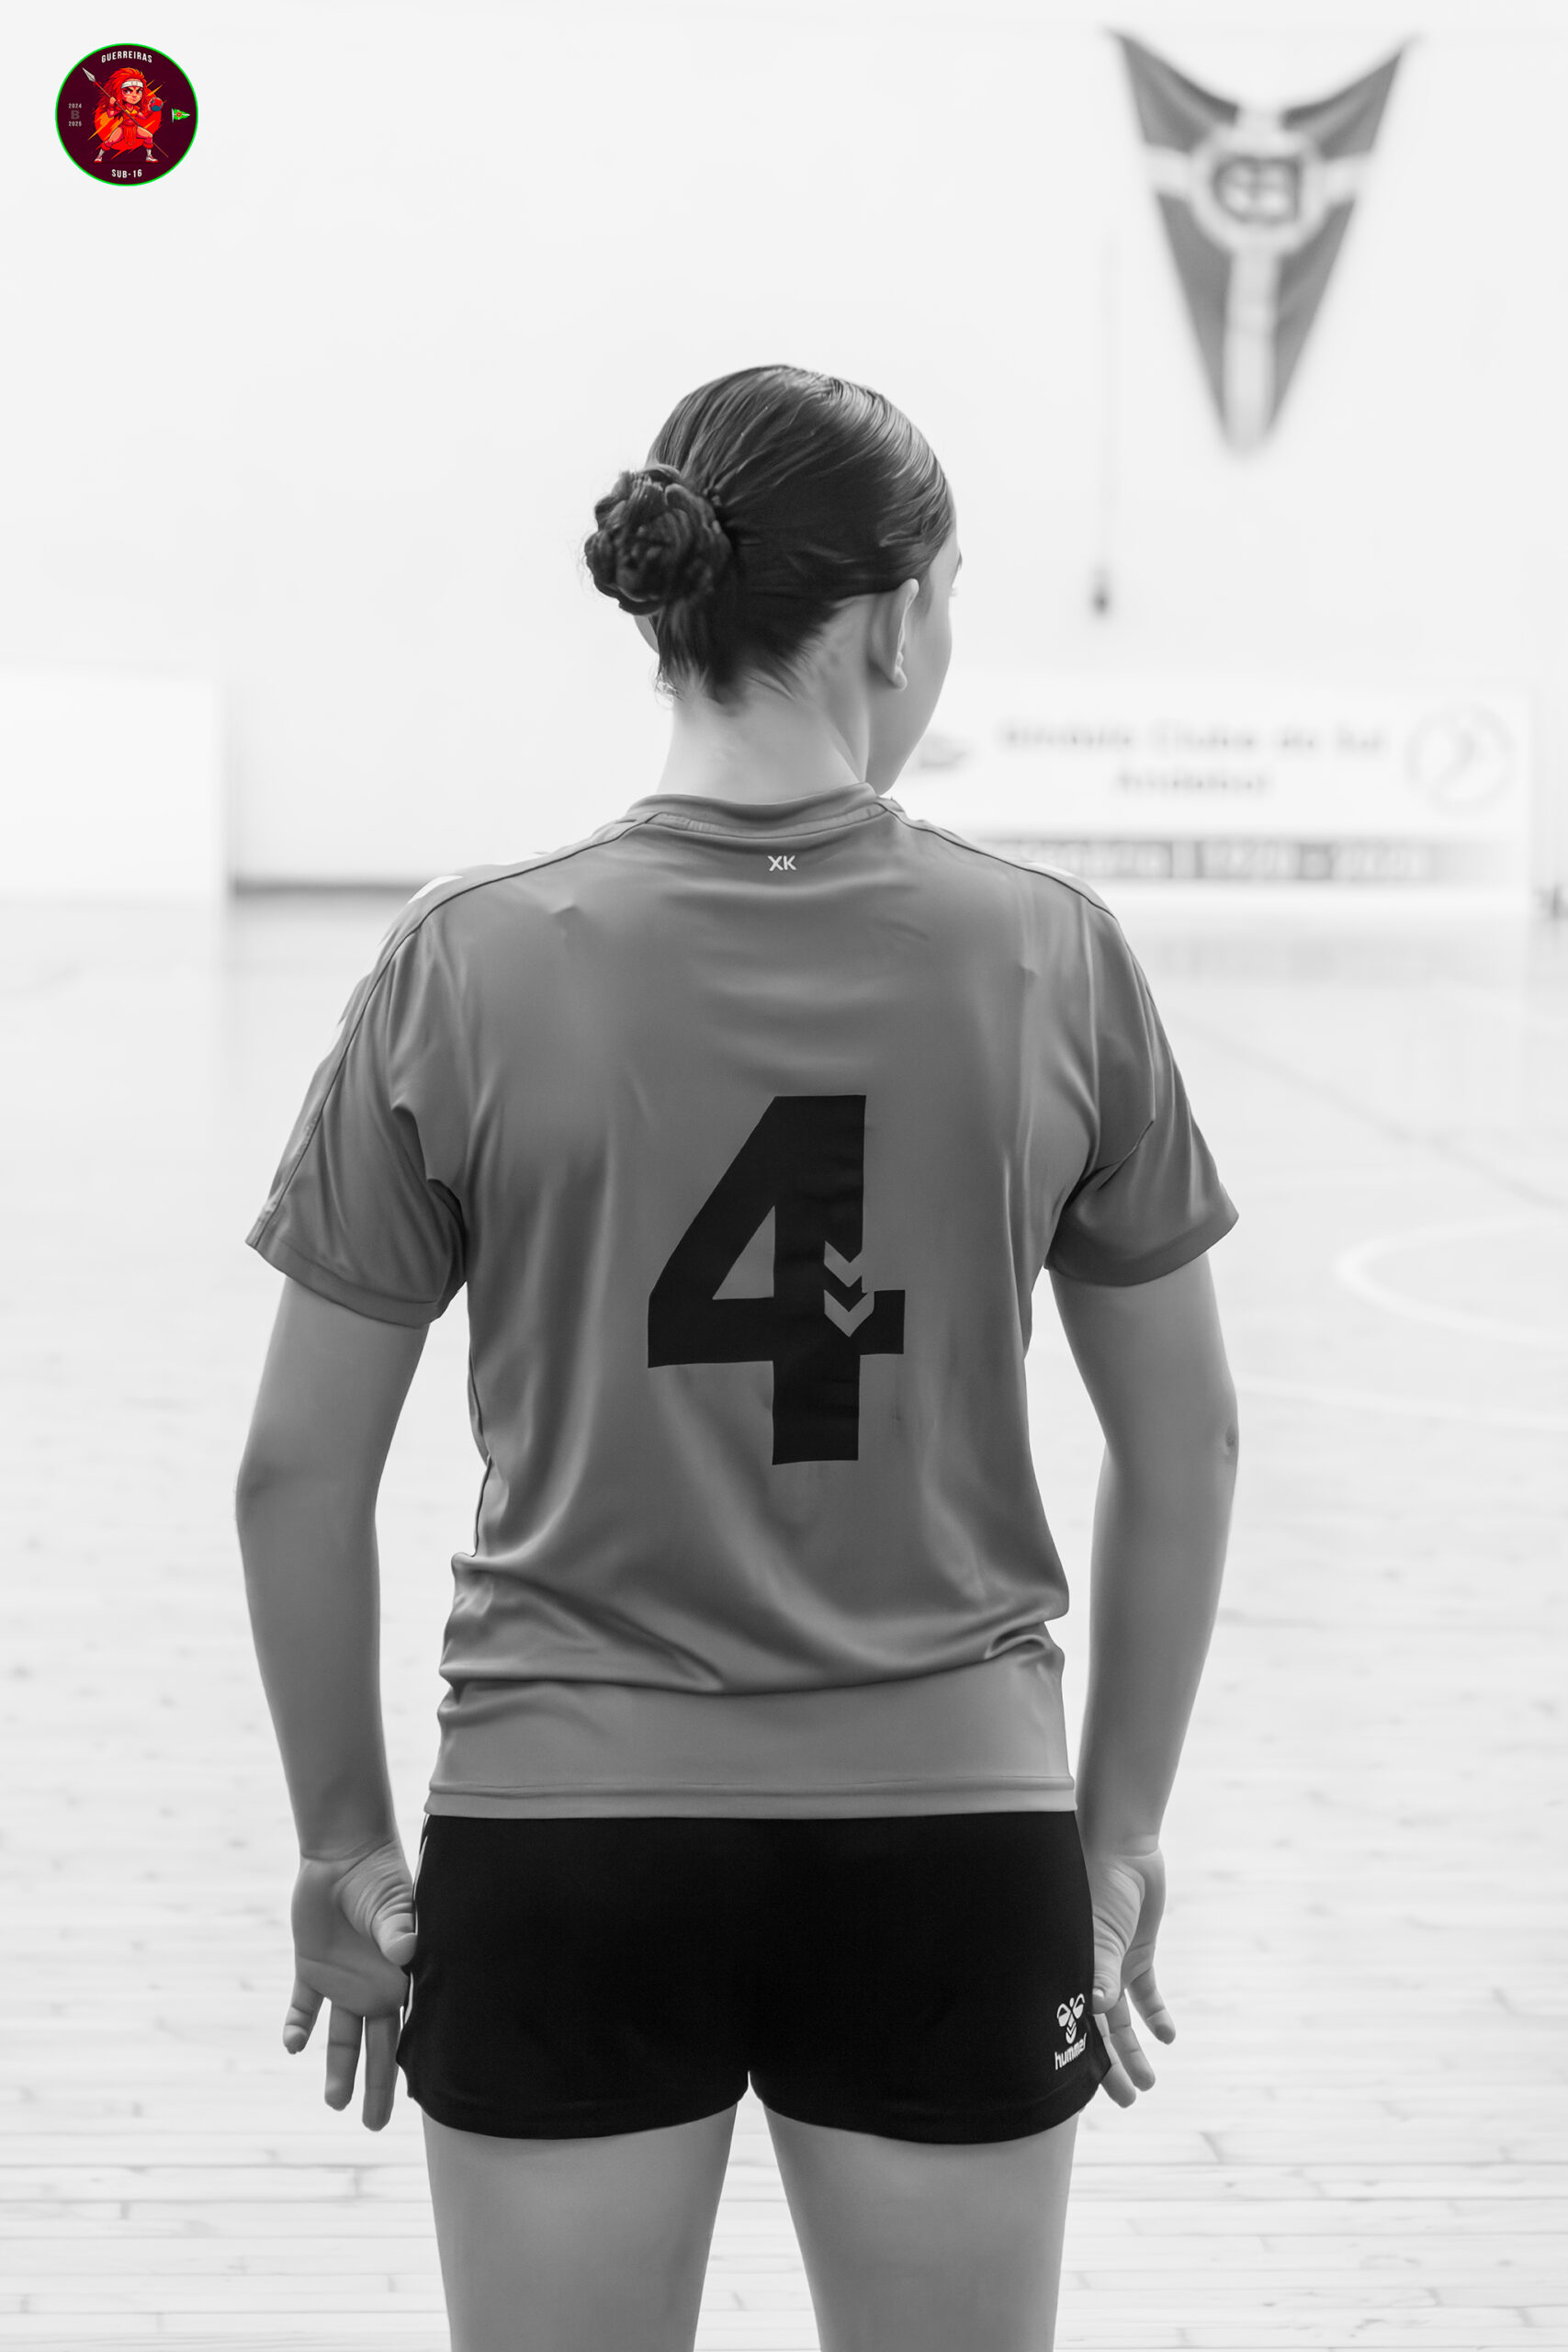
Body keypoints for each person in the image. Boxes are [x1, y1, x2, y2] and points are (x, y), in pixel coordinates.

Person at [234, 362, 1240, 2352]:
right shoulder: (1051, 955)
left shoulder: (465, 958)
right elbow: (1188, 1440)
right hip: (953, 1833)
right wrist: (1114, 1831)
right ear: (896, 618)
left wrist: (346, 1844)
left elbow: (292, 1470)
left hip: (564, 1830)